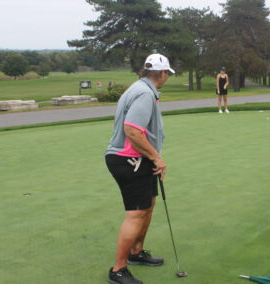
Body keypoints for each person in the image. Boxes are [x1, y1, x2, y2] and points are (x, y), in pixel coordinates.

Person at [104, 53, 175, 284]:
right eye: (167, 74)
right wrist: (157, 158)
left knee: (148, 205)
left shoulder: (140, 88)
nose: (167, 78)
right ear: (162, 73)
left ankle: (136, 253)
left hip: (138, 159)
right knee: (136, 213)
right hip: (129, 160)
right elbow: (132, 131)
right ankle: (118, 270)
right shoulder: (144, 93)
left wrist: (152, 158)